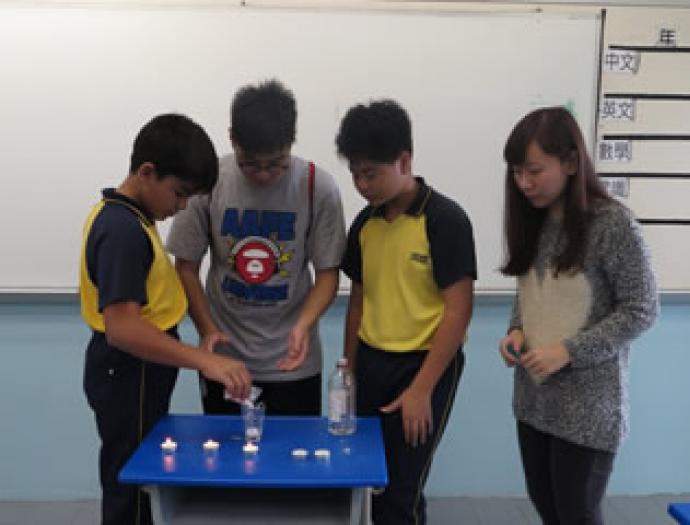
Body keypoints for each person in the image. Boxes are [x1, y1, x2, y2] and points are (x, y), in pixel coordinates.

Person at [80, 114, 252, 525]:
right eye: (178, 193)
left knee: (136, 474)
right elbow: (123, 328)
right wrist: (204, 360)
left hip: (137, 369)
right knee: (133, 482)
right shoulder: (122, 230)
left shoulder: (130, 217)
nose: (181, 206)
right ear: (146, 172)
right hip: (127, 370)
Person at [498, 107, 658, 525]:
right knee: (547, 507)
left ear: (571, 162)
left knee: (576, 515)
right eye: (516, 172)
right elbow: (530, 289)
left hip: (589, 409)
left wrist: (569, 351)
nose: (524, 183)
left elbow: (642, 309)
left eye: (534, 170)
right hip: (534, 400)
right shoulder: (532, 220)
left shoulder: (611, 224)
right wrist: (516, 330)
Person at [167, 79, 345, 416]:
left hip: (294, 363)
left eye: (276, 164)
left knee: (293, 461)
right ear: (232, 138)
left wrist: (303, 325)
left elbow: (327, 274)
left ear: (291, 142)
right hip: (225, 360)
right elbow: (185, 268)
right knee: (227, 461)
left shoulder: (316, 187)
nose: (263, 175)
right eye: (251, 164)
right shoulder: (209, 183)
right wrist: (207, 331)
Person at [336, 99, 476, 525]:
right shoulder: (364, 224)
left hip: (425, 366)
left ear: (404, 160)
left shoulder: (445, 220)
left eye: (371, 173)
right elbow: (359, 301)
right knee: (364, 482)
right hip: (372, 360)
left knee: (401, 491)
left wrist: (420, 389)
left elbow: (458, 311)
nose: (362, 184)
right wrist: (349, 371)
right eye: (355, 174)